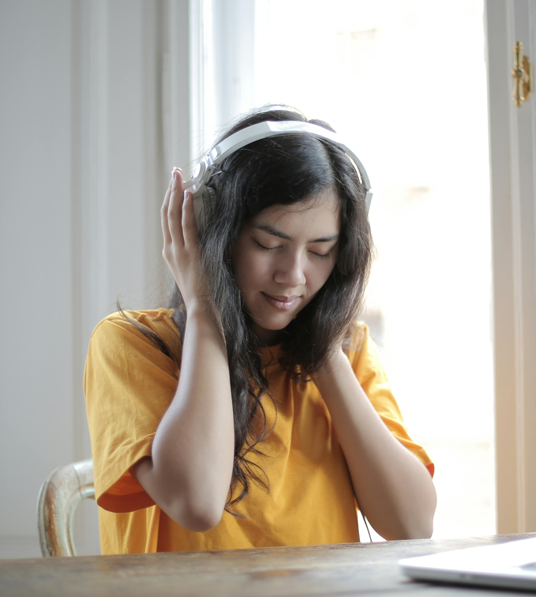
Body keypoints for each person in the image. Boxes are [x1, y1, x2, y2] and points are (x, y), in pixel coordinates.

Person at [84, 106, 436, 554]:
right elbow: (197, 502)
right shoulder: (131, 345)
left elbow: (411, 523)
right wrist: (206, 308)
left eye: (321, 251)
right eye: (269, 244)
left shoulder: (350, 352)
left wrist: (323, 346)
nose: (293, 274)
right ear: (213, 229)